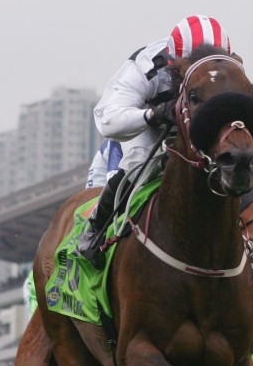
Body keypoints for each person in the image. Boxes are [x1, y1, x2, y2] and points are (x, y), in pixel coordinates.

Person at [76, 15, 232, 267]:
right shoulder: (145, 67)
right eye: (191, 69)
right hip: (150, 129)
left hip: (199, 129)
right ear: (173, 62)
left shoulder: (228, 70)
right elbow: (107, 119)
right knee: (139, 158)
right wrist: (154, 114)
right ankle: (95, 228)